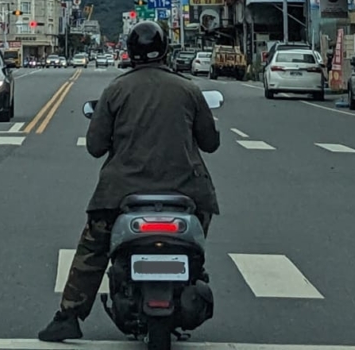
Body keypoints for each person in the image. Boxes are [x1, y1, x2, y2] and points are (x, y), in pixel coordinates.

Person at [38, 20, 219, 343]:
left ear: (130, 52)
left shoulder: (116, 90)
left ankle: (68, 316)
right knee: (195, 249)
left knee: (93, 251)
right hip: (187, 193)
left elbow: (95, 147)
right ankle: (192, 281)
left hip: (121, 194)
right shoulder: (189, 89)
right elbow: (210, 142)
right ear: (165, 50)